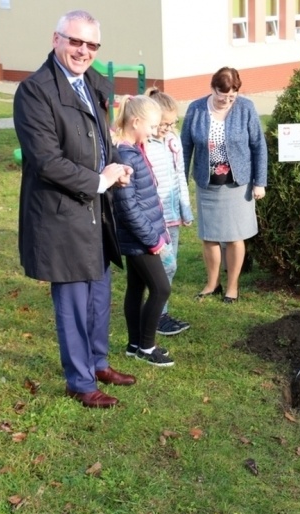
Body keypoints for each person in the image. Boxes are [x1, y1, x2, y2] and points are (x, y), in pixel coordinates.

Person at [14, 10, 136, 408]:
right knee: (72, 303)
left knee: (99, 295)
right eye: (76, 41)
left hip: (96, 212)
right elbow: (45, 160)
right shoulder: (35, 91)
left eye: (92, 45)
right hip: (59, 214)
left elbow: (102, 140)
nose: (83, 51)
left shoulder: (95, 84)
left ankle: (99, 363)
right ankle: (80, 383)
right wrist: (99, 180)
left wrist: (118, 164)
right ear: (57, 39)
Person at [180, 66, 268, 304]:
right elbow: (185, 147)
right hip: (207, 184)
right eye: (222, 95)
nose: (227, 100)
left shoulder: (246, 108)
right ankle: (212, 283)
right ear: (212, 88)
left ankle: (232, 286)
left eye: (232, 96)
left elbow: (259, 146)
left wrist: (260, 182)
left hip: (238, 184)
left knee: (234, 236)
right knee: (209, 236)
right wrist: (181, 180)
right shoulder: (196, 109)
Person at [111, 95, 176, 367]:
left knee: (136, 289)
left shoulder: (131, 149)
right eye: (151, 127)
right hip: (140, 238)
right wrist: (153, 240)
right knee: (161, 289)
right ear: (135, 122)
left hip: (138, 237)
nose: (153, 132)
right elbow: (128, 207)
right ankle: (147, 348)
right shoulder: (127, 155)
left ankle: (134, 344)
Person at [145, 89, 194, 335]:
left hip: (172, 217)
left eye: (172, 123)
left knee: (170, 266)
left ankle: (159, 312)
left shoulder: (173, 140)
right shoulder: (143, 143)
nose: (168, 128)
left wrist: (185, 208)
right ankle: (156, 316)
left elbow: (179, 176)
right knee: (165, 266)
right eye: (163, 124)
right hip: (152, 218)